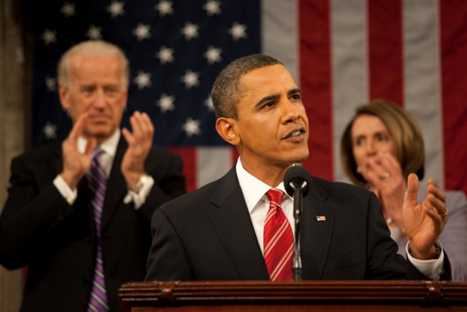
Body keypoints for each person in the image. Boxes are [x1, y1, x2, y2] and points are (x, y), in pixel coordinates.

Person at [145, 54, 451, 282]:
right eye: (269, 104)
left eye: (294, 97)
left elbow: (397, 302)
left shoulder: (356, 209)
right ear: (229, 130)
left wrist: (422, 254)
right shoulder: (182, 223)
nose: (293, 113)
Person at [0, 40, 185, 312]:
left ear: (123, 97)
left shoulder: (160, 165)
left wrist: (137, 179)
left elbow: (184, 245)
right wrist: (65, 181)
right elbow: (9, 251)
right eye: (88, 90)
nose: (100, 103)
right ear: (64, 95)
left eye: (111, 91)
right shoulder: (32, 166)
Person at [340, 99, 467, 281]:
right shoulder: (342, 212)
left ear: (404, 145)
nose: (370, 150)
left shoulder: (450, 205)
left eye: (381, 138)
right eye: (360, 141)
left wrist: (399, 212)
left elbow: (460, 278)